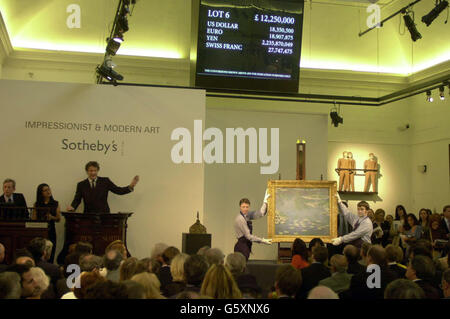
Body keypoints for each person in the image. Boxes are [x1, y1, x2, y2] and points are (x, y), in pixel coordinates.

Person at [67, 161, 139, 213]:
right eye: (91, 170)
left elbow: (118, 190)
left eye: (95, 170)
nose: (93, 173)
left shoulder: (105, 181)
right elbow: (77, 199)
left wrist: (131, 186)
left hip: (104, 215)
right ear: (87, 171)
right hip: (88, 215)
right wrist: (72, 207)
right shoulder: (81, 184)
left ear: (98, 170)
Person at [233, 190, 272, 260]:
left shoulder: (247, 215)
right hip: (241, 247)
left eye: (247, 207)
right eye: (243, 207)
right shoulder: (240, 219)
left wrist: (265, 202)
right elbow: (248, 236)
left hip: (246, 245)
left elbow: (260, 213)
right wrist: (263, 240)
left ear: (249, 207)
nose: (245, 209)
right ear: (240, 207)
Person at [31, 184, 61, 263]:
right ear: (41, 193)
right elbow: (33, 218)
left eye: (48, 189)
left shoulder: (55, 203)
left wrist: (51, 217)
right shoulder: (37, 204)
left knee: (51, 251)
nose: (48, 192)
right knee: (39, 251)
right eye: (45, 190)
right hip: (40, 230)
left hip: (51, 230)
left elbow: (58, 219)